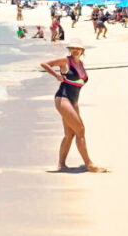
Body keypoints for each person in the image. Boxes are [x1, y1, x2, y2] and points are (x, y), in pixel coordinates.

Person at [41, 43, 104, 172]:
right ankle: (89, 164)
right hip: (63, 99)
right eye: (73, 48)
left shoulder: (81, 64)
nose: (75, 50)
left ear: (82, 50)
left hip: (74, 101)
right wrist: (56, 75)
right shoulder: (65, 61)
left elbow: (79, 82)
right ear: (70, 50)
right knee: (80, 130)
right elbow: (44, 64)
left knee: (69, 134)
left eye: (78, 49)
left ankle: (61, 165)